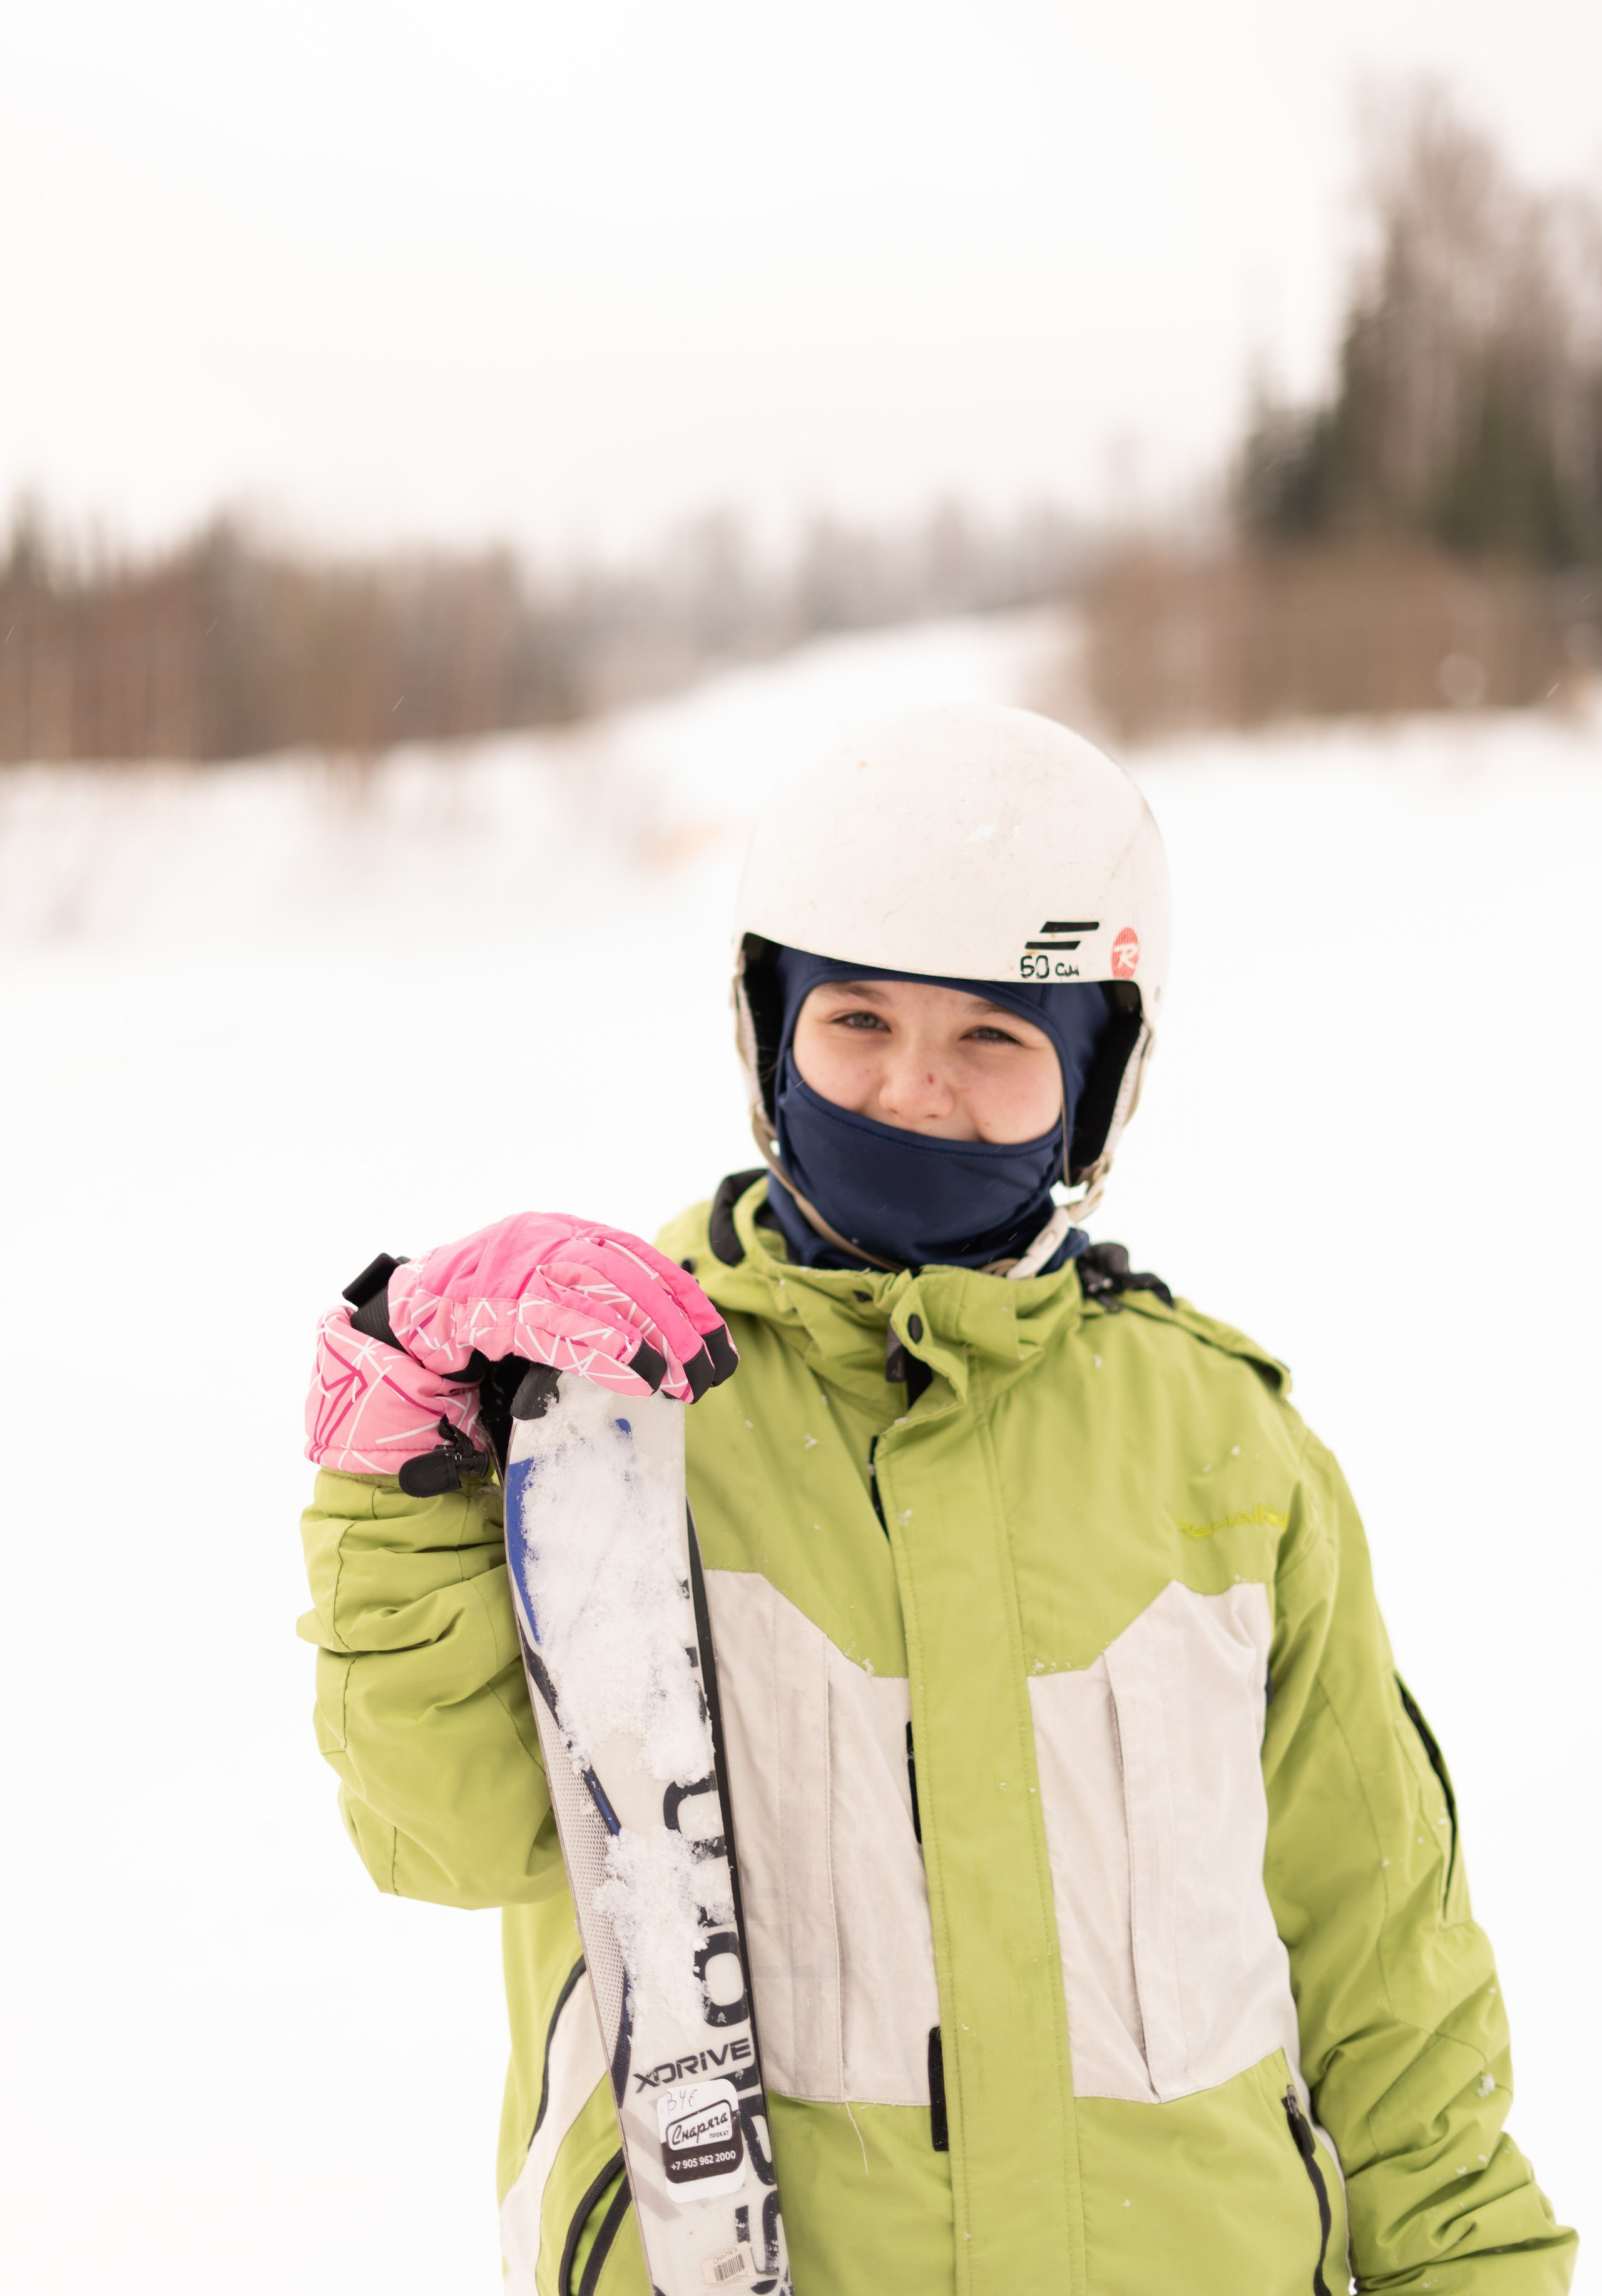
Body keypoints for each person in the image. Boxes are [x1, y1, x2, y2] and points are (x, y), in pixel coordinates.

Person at [300, 703, 1574, 2296]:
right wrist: (403, 1471)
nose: (910, 1089)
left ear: (1093, 1088)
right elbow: (448, 1830)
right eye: (854, 1020)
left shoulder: (1219, 1454)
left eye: (992, 1039)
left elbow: (1389, 1986)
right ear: (769, 1033)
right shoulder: (618, 1408)